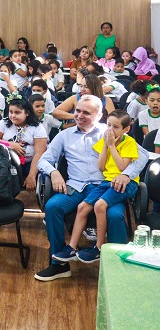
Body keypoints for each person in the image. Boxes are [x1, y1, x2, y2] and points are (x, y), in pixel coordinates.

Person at [35, 95, 148, 281]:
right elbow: (43, 160)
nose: (79, 115)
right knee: (53, 207)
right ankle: (59, 264)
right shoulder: (64, 135)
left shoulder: (111, 130)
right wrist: (54, 172)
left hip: (106, 187)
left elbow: (142, 155)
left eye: (86, 112)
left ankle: (117, 268)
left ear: (99, 115)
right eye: (77, 111)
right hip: (76, 186)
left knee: (115, 215)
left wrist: (126, 174)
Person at [51, 110, 140, 265]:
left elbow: (122, 167)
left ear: (126, 129)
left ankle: (99, 247)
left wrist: (112, 146)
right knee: (83, 207)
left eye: (116, 127)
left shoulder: (129, 142)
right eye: (109, 125)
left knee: (99, 205)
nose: (110, 130)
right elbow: (101, 166)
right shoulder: (105, 141)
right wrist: (106, 145)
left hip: (126, 183)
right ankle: (71, 247)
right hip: (107, 182)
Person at [0, 97, 48, 190]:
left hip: (30, 163)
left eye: (17, 112)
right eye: (11, 112)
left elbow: (39, 153)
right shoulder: (4, 122)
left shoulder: (37, 127)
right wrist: (10, 145)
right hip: (7, 162)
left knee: (44, 174)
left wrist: (31, 175)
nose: (13, 115)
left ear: (27, 113)